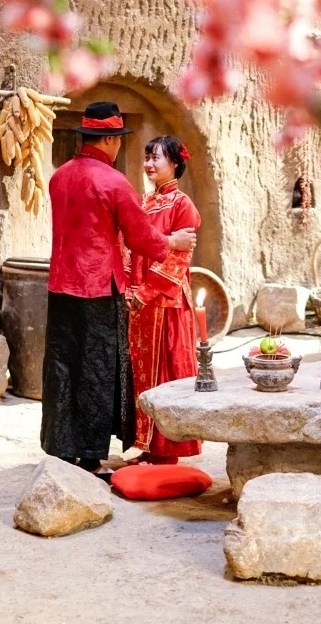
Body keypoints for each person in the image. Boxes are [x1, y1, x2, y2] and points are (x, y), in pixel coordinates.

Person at [43, 102, 197, 480]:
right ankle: (92, 457)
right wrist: (171, 241)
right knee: (97, 370)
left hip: (61, 285)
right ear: (111, 140)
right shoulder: (114, 182)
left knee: (63, 368)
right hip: (98, 287)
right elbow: (140, 237)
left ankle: (63, 446)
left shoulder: (58, 176)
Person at [124, 135, 202, 465]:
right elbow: (128, 244)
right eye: (147, 157)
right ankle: (145, 443)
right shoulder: (144, 202)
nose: (149, 164)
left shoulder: (182, 204)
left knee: (166, 373)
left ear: (174, 164)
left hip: (165, 303)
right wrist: (129, 286)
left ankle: (168, 450)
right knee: (142, 373)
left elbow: (179, 260)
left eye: (156, 158)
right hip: (139, 302)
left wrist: (145, 291)